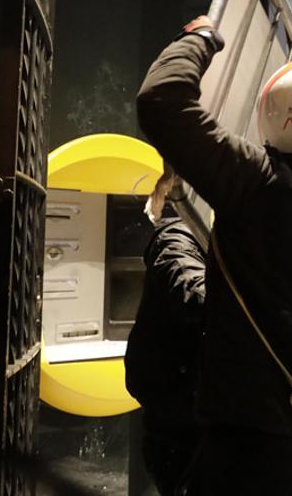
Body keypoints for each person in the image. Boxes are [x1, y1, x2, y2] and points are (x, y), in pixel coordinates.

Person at [136, 16, 292, 496]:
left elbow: (161, 100)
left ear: (271, 112)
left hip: (253, 442)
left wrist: (199, 38)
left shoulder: (255, 182)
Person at [124, 171, 207, 496]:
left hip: (179, 417)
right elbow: (193, 296)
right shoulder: (178, 237)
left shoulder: (188, 239)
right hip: (179, 427)